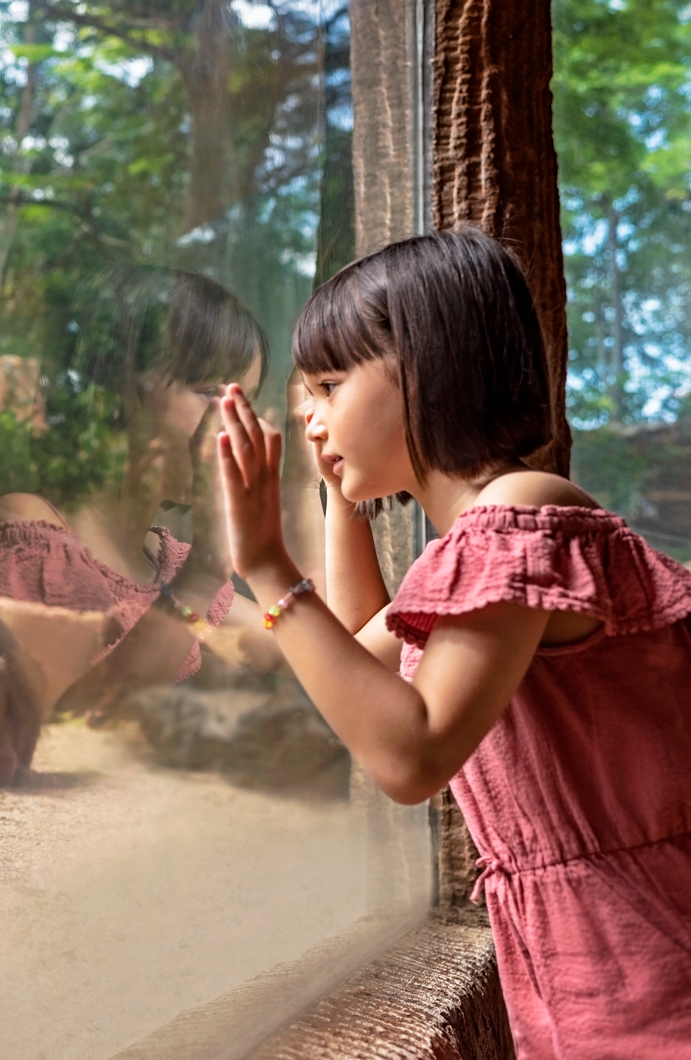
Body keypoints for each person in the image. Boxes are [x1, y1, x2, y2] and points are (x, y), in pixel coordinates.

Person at [215, 225, 691, 1058]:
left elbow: (410, 755)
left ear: (425, 370)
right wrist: (341, 501)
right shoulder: (483, 545)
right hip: (601, 968)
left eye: (328, 385)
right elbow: (362, 661)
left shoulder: (517, 520)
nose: (305, 413)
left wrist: (263, 565)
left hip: (651, 972)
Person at [0, 267, 283, 717]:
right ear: (116, 396)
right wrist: (207, 570)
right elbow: (77, 723)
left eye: (243, 404)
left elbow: (307, 653)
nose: (236, 426)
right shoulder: (32, 532)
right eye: (210, 393)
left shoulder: (164, 562)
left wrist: (308, 483)